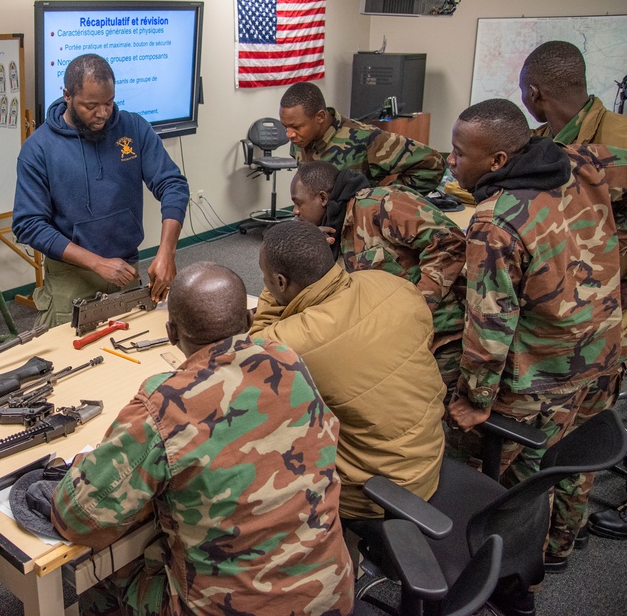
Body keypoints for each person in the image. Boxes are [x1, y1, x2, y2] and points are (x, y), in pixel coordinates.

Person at [51, 262, 354, 616]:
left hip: (229, 608)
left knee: (101, 569)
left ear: (170, 332)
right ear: (249, 319)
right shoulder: (287, 359)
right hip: (329, 595)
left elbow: (77, 519)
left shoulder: (164, 405)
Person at [444, 100, 627, 504]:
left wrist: (475, 400)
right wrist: (608, 256)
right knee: (572, 466)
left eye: (460, 153)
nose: (450, 161)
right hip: (602, 352)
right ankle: (560, 546)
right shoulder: (582, 161)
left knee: (486, 476)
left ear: (498, 160)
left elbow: (490, 329)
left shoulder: (494, 222)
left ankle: (499, 556)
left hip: (541, 375)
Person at [520, 40, 627, 554]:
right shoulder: (545, 138)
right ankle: (540, 535)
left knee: (584, 422)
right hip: (557, 305)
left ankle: (561, 539)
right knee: (546, 424)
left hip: (613, 308)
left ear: (534, 92)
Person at [250, 220, 446, 524]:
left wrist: (271, 293)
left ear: (279, 281)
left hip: (377, 490)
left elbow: (254, 349)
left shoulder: (287, 343)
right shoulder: (392, 285)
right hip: (428, 456)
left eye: (266, 278)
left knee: (255, 446)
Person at [12, 53, 189, 328]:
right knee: (69, 358)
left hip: (126, 268)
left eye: (109, 102)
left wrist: (167, 252)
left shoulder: (133, 127)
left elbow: (173, 185)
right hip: (71, 277)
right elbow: (29, 224)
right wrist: (96, 263)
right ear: (67, 96)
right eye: (91, 106)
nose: (103, 114)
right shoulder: (38, 149)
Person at [290, 160, 466, 389]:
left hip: (438, 335)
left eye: (298, 203)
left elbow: (450, 242)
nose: (294, 211)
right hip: (389, 338)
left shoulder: (382, 203)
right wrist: (313, 251)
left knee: (424, 405)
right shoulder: (331, 227)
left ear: (323, 198)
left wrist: (418, 304)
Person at [278, 81, 445, 195]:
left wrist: (383, 200)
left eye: (296, 127)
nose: (289, 135)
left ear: (320, 117)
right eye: (286, 127)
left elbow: (431, 163)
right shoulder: (300, 140)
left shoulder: (366, 138)